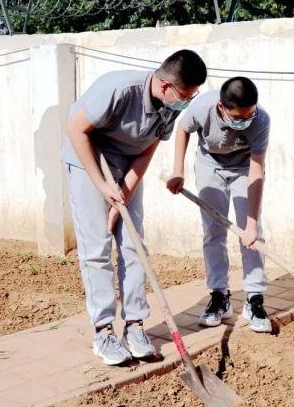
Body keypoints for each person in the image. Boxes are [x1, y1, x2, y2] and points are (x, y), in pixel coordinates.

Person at [63, 50, 207, 365]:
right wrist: (103, 186)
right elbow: (75, 129)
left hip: (128, 163)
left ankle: (135, 326)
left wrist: (123, 194)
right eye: (185, 95)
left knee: (133, 246)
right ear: (165, 85)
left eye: (192, 96)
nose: (187, 101)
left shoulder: (169, 106)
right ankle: (103, 333)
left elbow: (148, 148)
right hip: (90, 157)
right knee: (97, 247)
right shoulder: (118, 90)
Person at [166, 76, 272, 333]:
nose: (243, 122)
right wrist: (177, 170)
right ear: (221, 108)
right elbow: (183, 128)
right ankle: (219, 296)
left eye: (248, 115)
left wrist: (252, 223)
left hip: (243, 168)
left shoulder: (261, 120)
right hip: (209, 165)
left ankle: (254, 298)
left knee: (250, 235)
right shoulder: (203, 107)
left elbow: (257, 170)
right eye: (237, 118)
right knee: (213, 231)